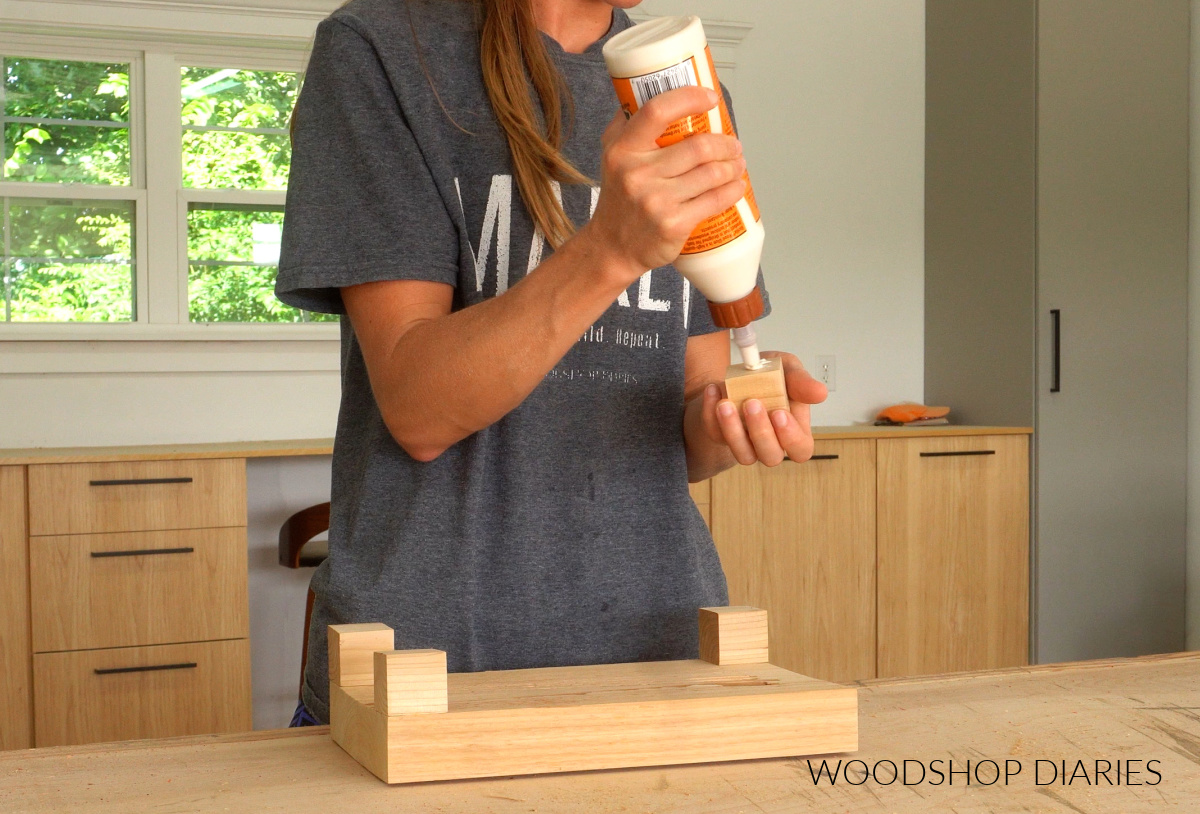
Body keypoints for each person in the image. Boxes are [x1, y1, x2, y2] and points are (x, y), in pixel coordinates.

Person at [276, 0, 827, 726]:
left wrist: (730, 417)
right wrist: (610, 249)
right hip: (428, 674)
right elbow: (417, 409)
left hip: (659, 656)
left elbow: (690, 411)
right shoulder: (380, 50)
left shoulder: (679, 82)